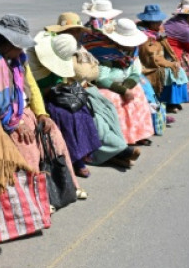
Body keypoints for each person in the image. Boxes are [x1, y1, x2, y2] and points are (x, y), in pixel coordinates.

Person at [0, 15, 78, 189]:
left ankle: (64, 186)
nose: (22, 51)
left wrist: (42, 114)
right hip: (1, 120)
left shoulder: (17, 59)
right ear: (10, 44)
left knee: (53, 136)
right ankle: (33, 196)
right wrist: (16, 123)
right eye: (20, 47)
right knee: (26, 147)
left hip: (21, 111)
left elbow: (31, 86)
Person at [45, 13, 137, 169]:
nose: (76, 34)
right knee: (96, 120)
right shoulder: (60, 48)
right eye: (72, 30)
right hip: (70, 93)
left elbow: (93, 72)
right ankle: (108, 152)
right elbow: (79, 74)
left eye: (77, 30)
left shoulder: (80, 47)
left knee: (109, 110)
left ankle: (116, 149)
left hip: (86, 88)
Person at [27, 31, 100, 181]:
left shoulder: (63, 53)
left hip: (56, 94)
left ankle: (83, 153)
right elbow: (31, 89)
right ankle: (75, 159)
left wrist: (60, 87)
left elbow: (63, 79)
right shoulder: (31, 58)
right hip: (41, 99)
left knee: (82, 110)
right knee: (64, 115)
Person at [81, 17, 155, 147]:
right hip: (106, 85)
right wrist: (122, 90)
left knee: (137, 91)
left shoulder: (133, 51)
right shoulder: (104, 52)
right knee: (113, 98)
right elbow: (101, 79)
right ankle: (123, 136)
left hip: (124, 82)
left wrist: (127, 87)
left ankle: (138, 133)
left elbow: (135, 72)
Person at [136, 4, 189, 115]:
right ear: (151, 23)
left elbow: (168, 50)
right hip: (148, 66)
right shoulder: (145, 37)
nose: (161, 24)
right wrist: (169, 64)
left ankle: (173, 101)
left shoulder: (156, 34)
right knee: (170, 71)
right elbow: (153, 58)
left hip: (157, 62)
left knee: (178, 69)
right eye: (158, 22)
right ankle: (169, 102)